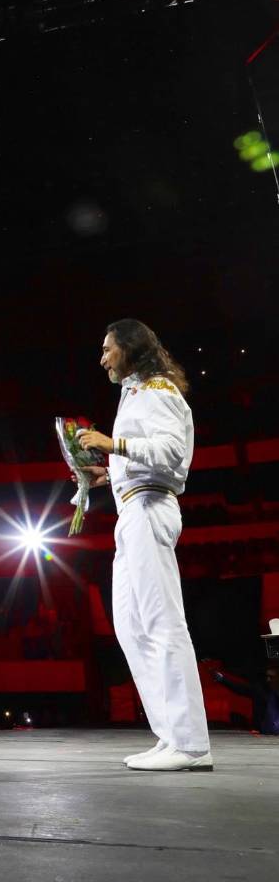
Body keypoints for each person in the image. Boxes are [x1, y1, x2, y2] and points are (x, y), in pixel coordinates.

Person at [77, 319, 212, 771]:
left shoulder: (158, 389)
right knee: (131, 627)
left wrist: (112, 444)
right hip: (131, 511)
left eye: (107, 348)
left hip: (151, 509)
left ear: (129, 349)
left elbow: (172, 454)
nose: (102, 358)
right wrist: (103, 473)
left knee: (162, 623)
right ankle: (170, 735)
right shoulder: (136, 392)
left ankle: (192, 743)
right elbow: (142, 456)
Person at [211, 664, 279, 735]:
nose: (268, 680)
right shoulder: (260, 690)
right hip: (263, 730)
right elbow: (240, 688)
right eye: (267, 677)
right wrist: (222, 679)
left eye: (271, 677)